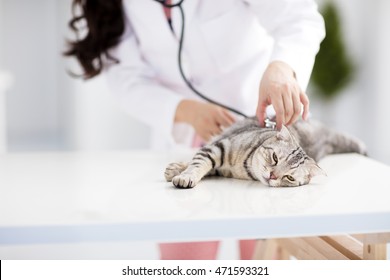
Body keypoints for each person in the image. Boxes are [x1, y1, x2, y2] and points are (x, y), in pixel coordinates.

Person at [65, 0, 325, 259]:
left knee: (262, 260)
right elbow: (126, 78)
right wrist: (184, 110)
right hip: (182, 146)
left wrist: (282, 67)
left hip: (261, 139)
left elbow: (299, 19)